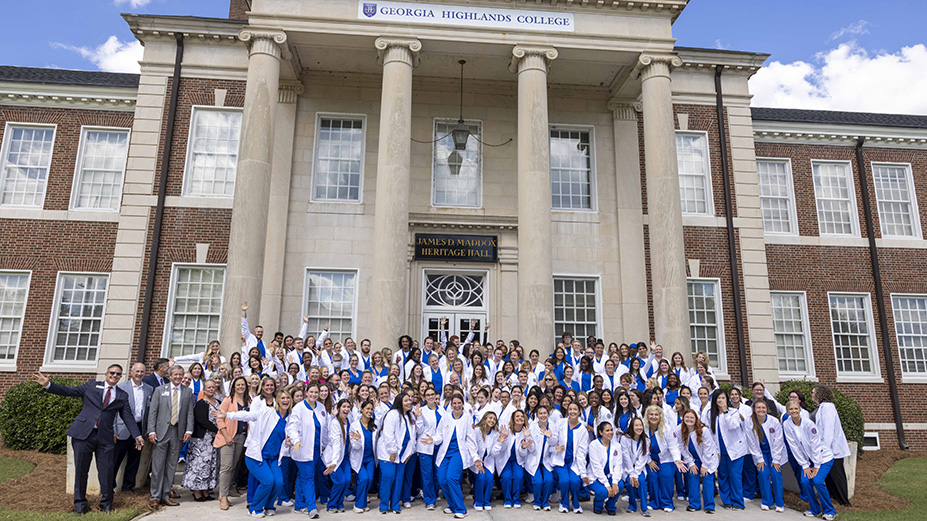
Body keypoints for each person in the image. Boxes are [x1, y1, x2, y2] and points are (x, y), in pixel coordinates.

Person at [34, 366, 143, 513]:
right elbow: (70, 391)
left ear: (120, 377)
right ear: (106, 374)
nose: (114, 376)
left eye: (118, 374)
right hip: (83, 435)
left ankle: (106, 505)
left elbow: (128, 417)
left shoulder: (122, 395)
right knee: (81, 470)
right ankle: (80, 505)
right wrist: (48, 385)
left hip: (105, 438)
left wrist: (137, 435)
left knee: (106, 472)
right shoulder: (91, 385)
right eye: (112, 373)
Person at [217, 388, 293, 518]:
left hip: (273, 458)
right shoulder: (268, 412)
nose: (285, 400)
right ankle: (255, 508)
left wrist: (291, 441)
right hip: (256, 456)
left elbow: (294, 433)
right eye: (282, 398)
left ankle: (269, 506)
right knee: (268, 481)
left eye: (287, 398)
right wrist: (228, 415)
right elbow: (249, 415)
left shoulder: (290, 418)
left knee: (279, 482)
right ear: (277, 401)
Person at [147, 364, 195, 509]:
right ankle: (154, 496)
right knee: (157, 466)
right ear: (170, 375)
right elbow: (153, 413)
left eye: (181, 375)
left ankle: (166, 495)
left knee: (171, 466)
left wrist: (189, 430)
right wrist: (151, 431)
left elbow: (189, 414)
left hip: (178, 433)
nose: (178, 377)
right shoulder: (160, 390)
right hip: (161, 432)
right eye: (176, 374)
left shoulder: (188, 392)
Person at [783, 401, 836, 520]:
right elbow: (794, 447)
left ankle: (830, 510)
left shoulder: (809, 424)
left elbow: (816, 445)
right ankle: (815, 509)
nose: (794, 411)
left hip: (823, 458)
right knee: (805, 481)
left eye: (796, 408)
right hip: (808, 460)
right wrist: (805, 465)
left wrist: (816, 465)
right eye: (791, 409)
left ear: (799, 409)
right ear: (787, 411)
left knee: (817, 481)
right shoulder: (787, 425)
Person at [424, 393, 474, 519]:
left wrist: (475, 457)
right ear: (451, 405)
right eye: (454, 403)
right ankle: (452, 505)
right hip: (445, 453)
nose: (457, 406)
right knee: (442, 479)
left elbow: (471, 439)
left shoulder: (467, 418)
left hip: (458, 453)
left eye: (459, 403)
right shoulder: (446, 417)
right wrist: (433, 440)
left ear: (463, 404)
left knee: (451, 477)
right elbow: (439, 434)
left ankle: (461, 509)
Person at [287, 382, 324, 519]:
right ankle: (311, 507)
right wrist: (296, 440)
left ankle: (299, 505)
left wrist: (324, 444)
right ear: (306, 392)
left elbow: (323, 428)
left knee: (304, 477)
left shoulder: (320, 407)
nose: (314, 395)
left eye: (316, 392)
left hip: (316, 449)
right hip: (302, 448)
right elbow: (292, 427)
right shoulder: (299, 408)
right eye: (311, 392)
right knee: (308, 478)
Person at [113, 362, 152, 493]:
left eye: (142, 372)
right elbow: (113, 411)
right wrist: (114, 430)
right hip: (122, 428)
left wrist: (147, 428)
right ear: (131, 372)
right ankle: (109, 486)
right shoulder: (121, 387)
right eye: (137, 371)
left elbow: (149, 411)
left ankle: (128, 487)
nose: (139, 374)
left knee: (134, 459)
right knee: (116, 459)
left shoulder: (149, 389)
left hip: (140, 428)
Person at [706, 388, 748, 510]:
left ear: (727, 399)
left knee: (735, 476)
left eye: (723, 398)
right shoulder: (710, 414)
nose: (721, 400)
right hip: (719, 451)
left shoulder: (734, 412)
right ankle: (727, 501)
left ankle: (738, 502)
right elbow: (708, 432)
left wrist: (725, 411)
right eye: (718, 398)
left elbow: (732, 426)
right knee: (723, 476)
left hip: (735, 450)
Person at [811, 385, 852, 507]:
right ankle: (834, 497)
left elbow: (828, 429)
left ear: (820, 394)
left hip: (832, 449)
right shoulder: (821, 407)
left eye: (813, 392)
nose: (811, 394)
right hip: (825, 448)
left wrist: (825, 448)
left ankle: (844, 501)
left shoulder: (827, 407)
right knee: (829, 476)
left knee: (837, 475)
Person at [378, 394, 416, 513]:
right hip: (388, 453)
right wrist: (393, 451)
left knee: (399, 479)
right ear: (399, 402)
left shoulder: (410, 416)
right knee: (388, 477)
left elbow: (413, 437)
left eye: (410, 400)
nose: (409, 402)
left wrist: (409, 452)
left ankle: (395, 505)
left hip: (403, 454)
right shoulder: (392, 414)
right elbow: (388, 435)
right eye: (406, 401)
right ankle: (384, 506)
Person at [182, 379, 220, 501]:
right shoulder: (201, 403)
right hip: (202, 440)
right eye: (208, 387)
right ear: (204, 389)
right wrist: (218, 429)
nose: (211, 389)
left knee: (210, 465)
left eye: (213, 387)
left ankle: (205, 490)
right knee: (199, 465)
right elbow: (202, 420)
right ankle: (197, 491)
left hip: (214, 440)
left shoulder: (218, 402)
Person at [746, 400, 787, 512]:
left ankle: (779, 503)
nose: (761, 410)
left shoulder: (774, 421)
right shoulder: (749, 422)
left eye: (763, 408)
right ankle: (766, 501)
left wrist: (776, 459)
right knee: (763, 474)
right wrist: (759, 459)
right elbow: (752, 443)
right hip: (761, 453)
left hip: (775, 453)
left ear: (766, 409)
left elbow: (779, 441)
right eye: (758, 408)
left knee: (775, 474)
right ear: (754, 409)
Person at [644, 405, 686, 513]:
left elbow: (673, 445)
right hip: (651, 459)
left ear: (660, 416)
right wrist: (649, 461)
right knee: (652, 476)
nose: (653, 417)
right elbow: (641, 447)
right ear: (647, 416)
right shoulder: (644, 428)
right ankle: (654, 502)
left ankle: (667, 503)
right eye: (651, 414)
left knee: (665, 476)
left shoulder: (667, 428)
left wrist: (677, 460)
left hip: (667, 458)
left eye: (656, 415)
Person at [216, 375, 250, 510]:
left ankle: (226, 491)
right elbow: (219, 419)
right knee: (226, 467)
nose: (241, 387)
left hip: (241, 437)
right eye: (238, 384)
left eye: (243, 384)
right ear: (234, 387)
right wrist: (226, 435)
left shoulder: (249, 401)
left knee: (234, 466)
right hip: (228, 437)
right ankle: (223, 496)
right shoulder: (228, 400)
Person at [678, 409, 717, 513]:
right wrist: (691, 463)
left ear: (696, 419)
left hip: (708, 458)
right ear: (683, 418)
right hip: (693, 459)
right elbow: (681, 447)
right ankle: (694, 504)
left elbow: (708, 449)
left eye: (692, 417)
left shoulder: (704, 430)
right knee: (692, 476)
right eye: (687, 417)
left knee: (707, 478)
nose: (689, 419)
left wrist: (704, 465)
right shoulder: (679, 429)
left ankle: (709, 506)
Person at [553, 402, 588, 513]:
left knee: (575, 481)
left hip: (574, 462)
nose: (572, 412)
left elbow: (582, 453)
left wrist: (583, 473)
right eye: (570, 409)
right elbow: (553, 440)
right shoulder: (560, 423)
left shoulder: (583, 429)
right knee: (564, 481)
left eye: (575, 409)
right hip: (561, 460)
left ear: (579, 412)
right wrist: (555, 448)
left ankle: (576, 503)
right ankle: (564, 503)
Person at [494, 409, 530, 509]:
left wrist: (523, 447)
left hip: (518, 461)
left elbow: (524, 454)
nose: (520, 418)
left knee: (518, 476)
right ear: (513, 419)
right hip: (505, 460)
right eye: (517, 416)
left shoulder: (525, 432)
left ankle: (516, 499)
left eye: (522, 416)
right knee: (506, 477)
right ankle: (508, 500)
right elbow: (502, 449)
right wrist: (504, 438)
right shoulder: (507, 431)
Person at [414, 387, 443, 510]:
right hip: (425, 446)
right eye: (428, 395)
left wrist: (435, 440)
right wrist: (419, 417)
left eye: (433, 394)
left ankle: (434, 494)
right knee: (427, 475)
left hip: (438, 446)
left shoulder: (443, 411)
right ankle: (429, 500)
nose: (431, 397)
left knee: (437, 474)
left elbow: (443, 430)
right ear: (424, 397)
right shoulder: (421, 411)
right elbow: (419, 430)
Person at [348, 400, 378, 512]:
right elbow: (355, 447)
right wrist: (358, 440)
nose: (370, 411)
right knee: (363, 478)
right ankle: (358, 505)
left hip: (370, 458)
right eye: (367, 409)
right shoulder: (354, 425)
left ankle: (364, 502)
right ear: (361, 410)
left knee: (369, 480)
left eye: (371, 409)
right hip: (358, 458)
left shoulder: (375, 425)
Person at [324, 399, 353, 512]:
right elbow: (336, 444)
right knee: (339, 481)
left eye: (348, 407)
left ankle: (339, 503)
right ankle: (332, 504)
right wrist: (334, 463)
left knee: (347, 480)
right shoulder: (335, 423)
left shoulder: (349, 421)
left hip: (344, 457)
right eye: (344, 407)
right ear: (339, 408)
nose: (346, 409)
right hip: (333, 458)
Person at [621, 417, 651, 517]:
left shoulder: (646, 440)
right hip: (627, 468)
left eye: (640, 425)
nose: (639, 427)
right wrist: (631, 474)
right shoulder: (625, 439)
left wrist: (636, 474)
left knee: (641, 482)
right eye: (636, 425)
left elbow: (643, 459)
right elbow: (626, 457)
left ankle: (644, 507)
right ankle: (632, 505)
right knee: (630, 482)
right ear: (632, 427)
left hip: (639, 469)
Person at [471, 411, 498, 511]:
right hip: (477, 461)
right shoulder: (476, 431)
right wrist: (476, 459)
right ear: (485, 418)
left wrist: (500, 442)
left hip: (488, 461)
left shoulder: (495, 434)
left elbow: (495, 453)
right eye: (490, 418)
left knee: (490, 479)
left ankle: (486, 501)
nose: (492, 420)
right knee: (481, 478)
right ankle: (478, 501)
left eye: (494, 419)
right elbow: (472, 447)